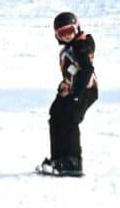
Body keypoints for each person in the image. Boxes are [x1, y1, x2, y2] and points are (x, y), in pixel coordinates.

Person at [39, 12, 97, 178]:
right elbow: (72, 70)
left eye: (70, 31)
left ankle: (73, 162)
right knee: (56, 115)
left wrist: (77, 93)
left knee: (70, 119)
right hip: (71, 88)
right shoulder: (70, 48)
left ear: (77, 27)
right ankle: (58, 158)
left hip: (85, 89)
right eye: (62, 34)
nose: (67, 36)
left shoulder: (81, 45)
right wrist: (65, 85)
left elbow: (86, 69)